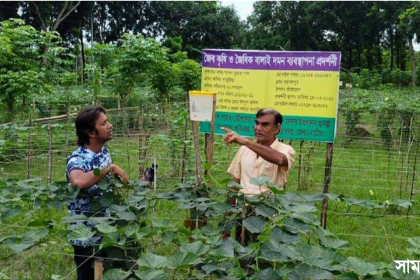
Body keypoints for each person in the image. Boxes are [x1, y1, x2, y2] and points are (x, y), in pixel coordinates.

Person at [66, 106, 128, 280]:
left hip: (106, 229)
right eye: (104, 123)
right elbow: (78, 182)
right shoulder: (77, 158)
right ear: (92, 133)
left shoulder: (103, 152)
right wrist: (108, 169)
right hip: (86, 235)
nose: (110, 125)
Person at [221, 108, 296, 244]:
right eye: (257, 123)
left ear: (277, 128)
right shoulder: (244, 150)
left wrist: (246, 142)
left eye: (265, 124)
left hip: (269, 214)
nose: (258, 128)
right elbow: (234, 186)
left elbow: (280, 160)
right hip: (243, 213)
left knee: (264, 257)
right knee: (242, 256)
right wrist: (227, 222)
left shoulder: (286, 150)